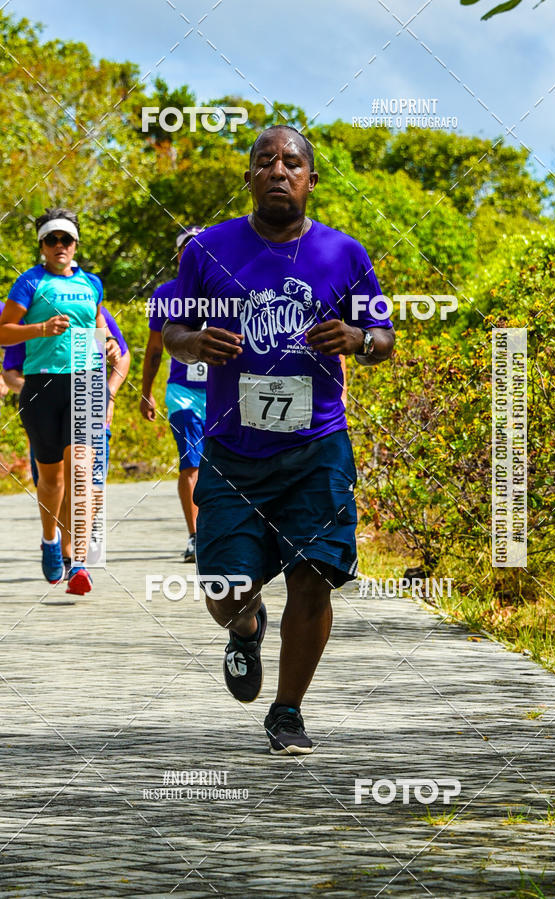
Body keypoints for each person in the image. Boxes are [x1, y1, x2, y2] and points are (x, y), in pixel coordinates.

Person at [163, 126, 394, 755]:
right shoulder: (207, 250)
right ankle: (244, 625)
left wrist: (357, 340)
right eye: (264, 161)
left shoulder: (345, 254)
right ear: (249, 177)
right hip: (234, 449)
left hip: (317, 444)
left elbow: (383, 336)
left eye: (291, 163)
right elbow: (173, 330)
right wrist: (193, 344)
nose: (277, 170)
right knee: (223, 587)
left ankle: (287, 712)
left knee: (314, 577)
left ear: (310, 179)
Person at [0, 207, 110, 594]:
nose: (60, 245)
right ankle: (50, 541)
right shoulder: (30, 283)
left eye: (66, 239)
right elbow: (3, 333)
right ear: (42, 246)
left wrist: (108, 345)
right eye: (52, 239)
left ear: (76, 244)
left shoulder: (91, 283)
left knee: (80, 468)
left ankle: (79, 562)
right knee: (52, 478)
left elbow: (98, 327)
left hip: (86, 382)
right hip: (42, 386)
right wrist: (41, 328)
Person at [2, 304, 130, 568]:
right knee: (56, 485)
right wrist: (36, 393)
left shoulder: (93, 315)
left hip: (90, 403)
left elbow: (122, 356)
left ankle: (76, 553)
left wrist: (111, 394)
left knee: (91, 481)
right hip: (47, 414)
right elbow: (11, 372)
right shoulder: (35, 318)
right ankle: (63, 545)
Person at [140, 226, 207, 562]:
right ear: (179, 255)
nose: (193, 252)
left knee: (231, 464)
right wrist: (146, 392)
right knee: (190, 464)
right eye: (186, 247)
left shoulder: (227, 287)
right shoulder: (165, 294)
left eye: (200, 246)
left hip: (225, 392)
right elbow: (154, 348)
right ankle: (196, 537)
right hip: (183, 392)